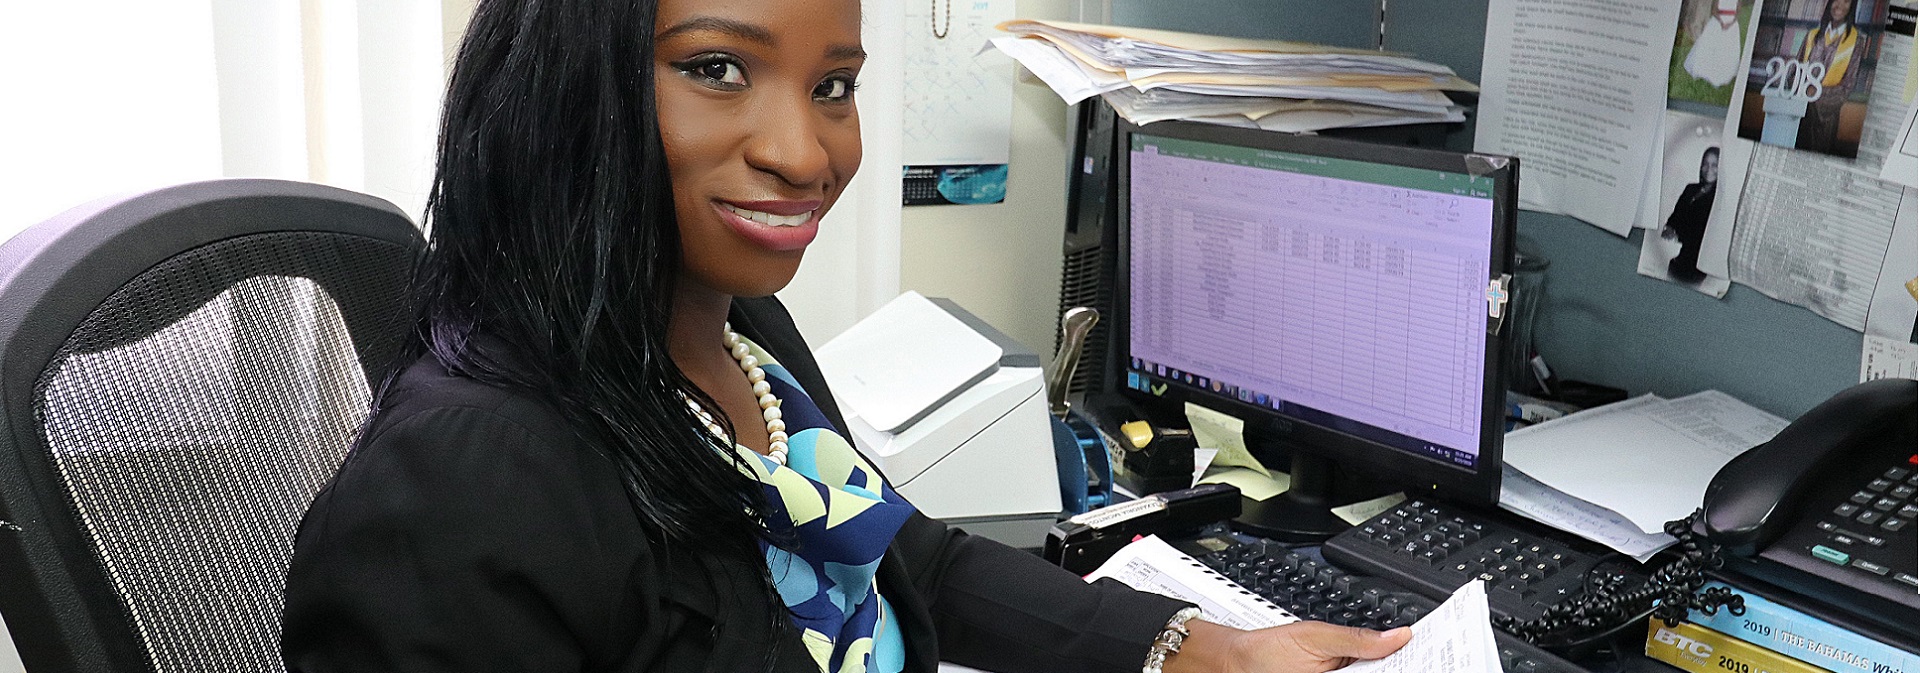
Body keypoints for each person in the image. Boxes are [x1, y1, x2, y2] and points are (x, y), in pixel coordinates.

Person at [277, 1, 1414, 672]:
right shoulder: (460, 486)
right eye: (717, 69)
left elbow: (903, 555)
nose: (805, 152)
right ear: (562, 89)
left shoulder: (742, 333)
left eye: (833, 85)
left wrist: (1198, 647)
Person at [1795, 0, 1862, 153]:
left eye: (1846, 1)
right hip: (1799, 110)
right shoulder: (1812, 35)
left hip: (1826, 117)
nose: (1840, 5)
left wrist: (1817, 93)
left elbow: (1848, 85)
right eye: (1836, 0)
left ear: (1852, 7)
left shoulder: (1855, 41)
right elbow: (1794, 71)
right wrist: (1802, 90)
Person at [1662, 147, 1719, 284]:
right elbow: (1675, 216)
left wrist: (1678, 235)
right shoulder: (1691, 188)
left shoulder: (1719, 199)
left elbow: (1701, 232)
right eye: (1705, 163)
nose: (1708, 169)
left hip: (1694, 262)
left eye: (1714, 165)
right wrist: (1669, 228)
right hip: (1673, 253)